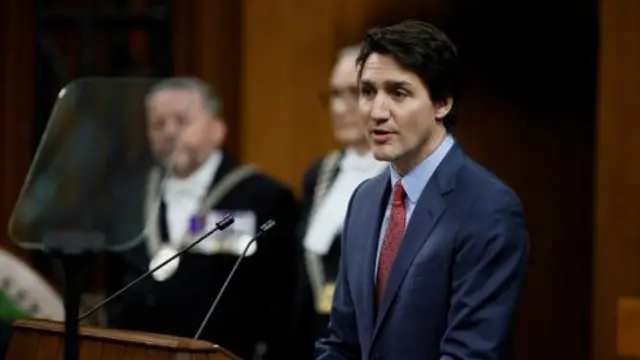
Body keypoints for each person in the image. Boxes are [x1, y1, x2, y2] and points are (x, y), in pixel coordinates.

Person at [315, 21, 530, 360]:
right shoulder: (364, 200)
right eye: (368, 92)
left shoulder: (489, 207)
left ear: (442, 102)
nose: (376, 112)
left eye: (398, 93)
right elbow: (342, 342)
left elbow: (470, 353)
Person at [105, 77, 299, 360]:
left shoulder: (263, 197)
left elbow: (281, 300)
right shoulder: (128, 198)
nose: (170, 132)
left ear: (218, 130)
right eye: (158, 124)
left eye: (182, 121)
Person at [294, 44, 387, 358]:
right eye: (334, 94)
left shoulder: (401, 174)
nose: (340, 107)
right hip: (316, 339)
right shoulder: (321, 173)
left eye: (355, 92)